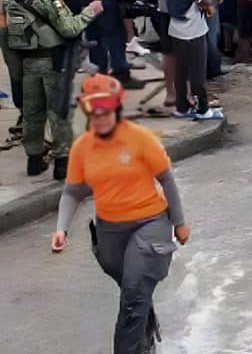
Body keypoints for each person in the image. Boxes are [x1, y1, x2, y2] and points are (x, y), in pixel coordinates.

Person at [51, 73, 190, 354]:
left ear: (116, 108)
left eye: (105, 110)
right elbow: (72, 192)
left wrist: (179, 222)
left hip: (150, 223)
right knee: (132, 291)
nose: (100, 117)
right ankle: (144, 332)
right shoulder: (82, 148)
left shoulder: (140, 138)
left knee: (133, 293)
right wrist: (61, 228)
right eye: (94, 111)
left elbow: (166, 179)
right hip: (109, 230)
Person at [5, 0, 104, 179]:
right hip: (51, 61)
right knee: (57, 112)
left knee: (32, 113)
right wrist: (90, 12)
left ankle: (34, 159)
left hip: (27, 62)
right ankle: (62, 163)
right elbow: (68, 28)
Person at [162, 0, 222, 120]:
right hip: (193, 31)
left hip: (175, 29)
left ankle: (182, 107)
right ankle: (203, 108)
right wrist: (209, 5)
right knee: (197, 71)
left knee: (180, 71)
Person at [0, 0, 30, 134]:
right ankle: (22, 110)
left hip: (33, 28)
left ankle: (35, 114)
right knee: (16, 72)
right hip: (9, 27)